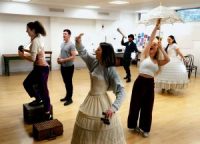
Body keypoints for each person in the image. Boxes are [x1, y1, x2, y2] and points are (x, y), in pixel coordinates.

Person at [71, 33, 126, 144]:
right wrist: (78, 42)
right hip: (90, 99)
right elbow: (84, 53)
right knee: (88, 127)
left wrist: (113, 108)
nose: (96, 51)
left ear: (104, 53)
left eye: (98, 50)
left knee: (101, 130)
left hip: (102, 101)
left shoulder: (110, 70)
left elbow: (122, 92)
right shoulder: (94, 62)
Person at [127, 19, 170, 137]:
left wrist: (161, 47)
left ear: (156, 49)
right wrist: (156, 27)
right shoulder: (144, 55)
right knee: (135, 104)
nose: (153, 45)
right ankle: (132, 125)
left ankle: (145, 128)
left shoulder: (157, 61)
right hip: (140, 82)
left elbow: (167, 60)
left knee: (148, 106)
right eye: (152, 44)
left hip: (150, 83)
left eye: (155, 45)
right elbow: (151, 39)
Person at [18, 21, 52, 120]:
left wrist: (22, 56)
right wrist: (25, 50)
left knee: (44, 90)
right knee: (27, 83)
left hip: (42, 70)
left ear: (33, 30)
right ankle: (38, 99)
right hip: (38, 68)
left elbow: (32, 58)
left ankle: (47, 112)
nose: (26, 31)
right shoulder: (36, 39)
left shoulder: (36, 40)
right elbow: (35, 51)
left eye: (27, 29)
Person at [57, 29, 77, 106]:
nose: (63, 35)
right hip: (63, 66)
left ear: (69, 35)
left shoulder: (71, 45)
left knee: (69, 82)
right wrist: (59, 58)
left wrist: (63, 60)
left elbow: (73, 57)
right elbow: (61, 53)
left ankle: (70, 99)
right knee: (65, 82)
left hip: (69, 67)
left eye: (65, 34)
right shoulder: (62, 44)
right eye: (63, 34)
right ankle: (67, 96)